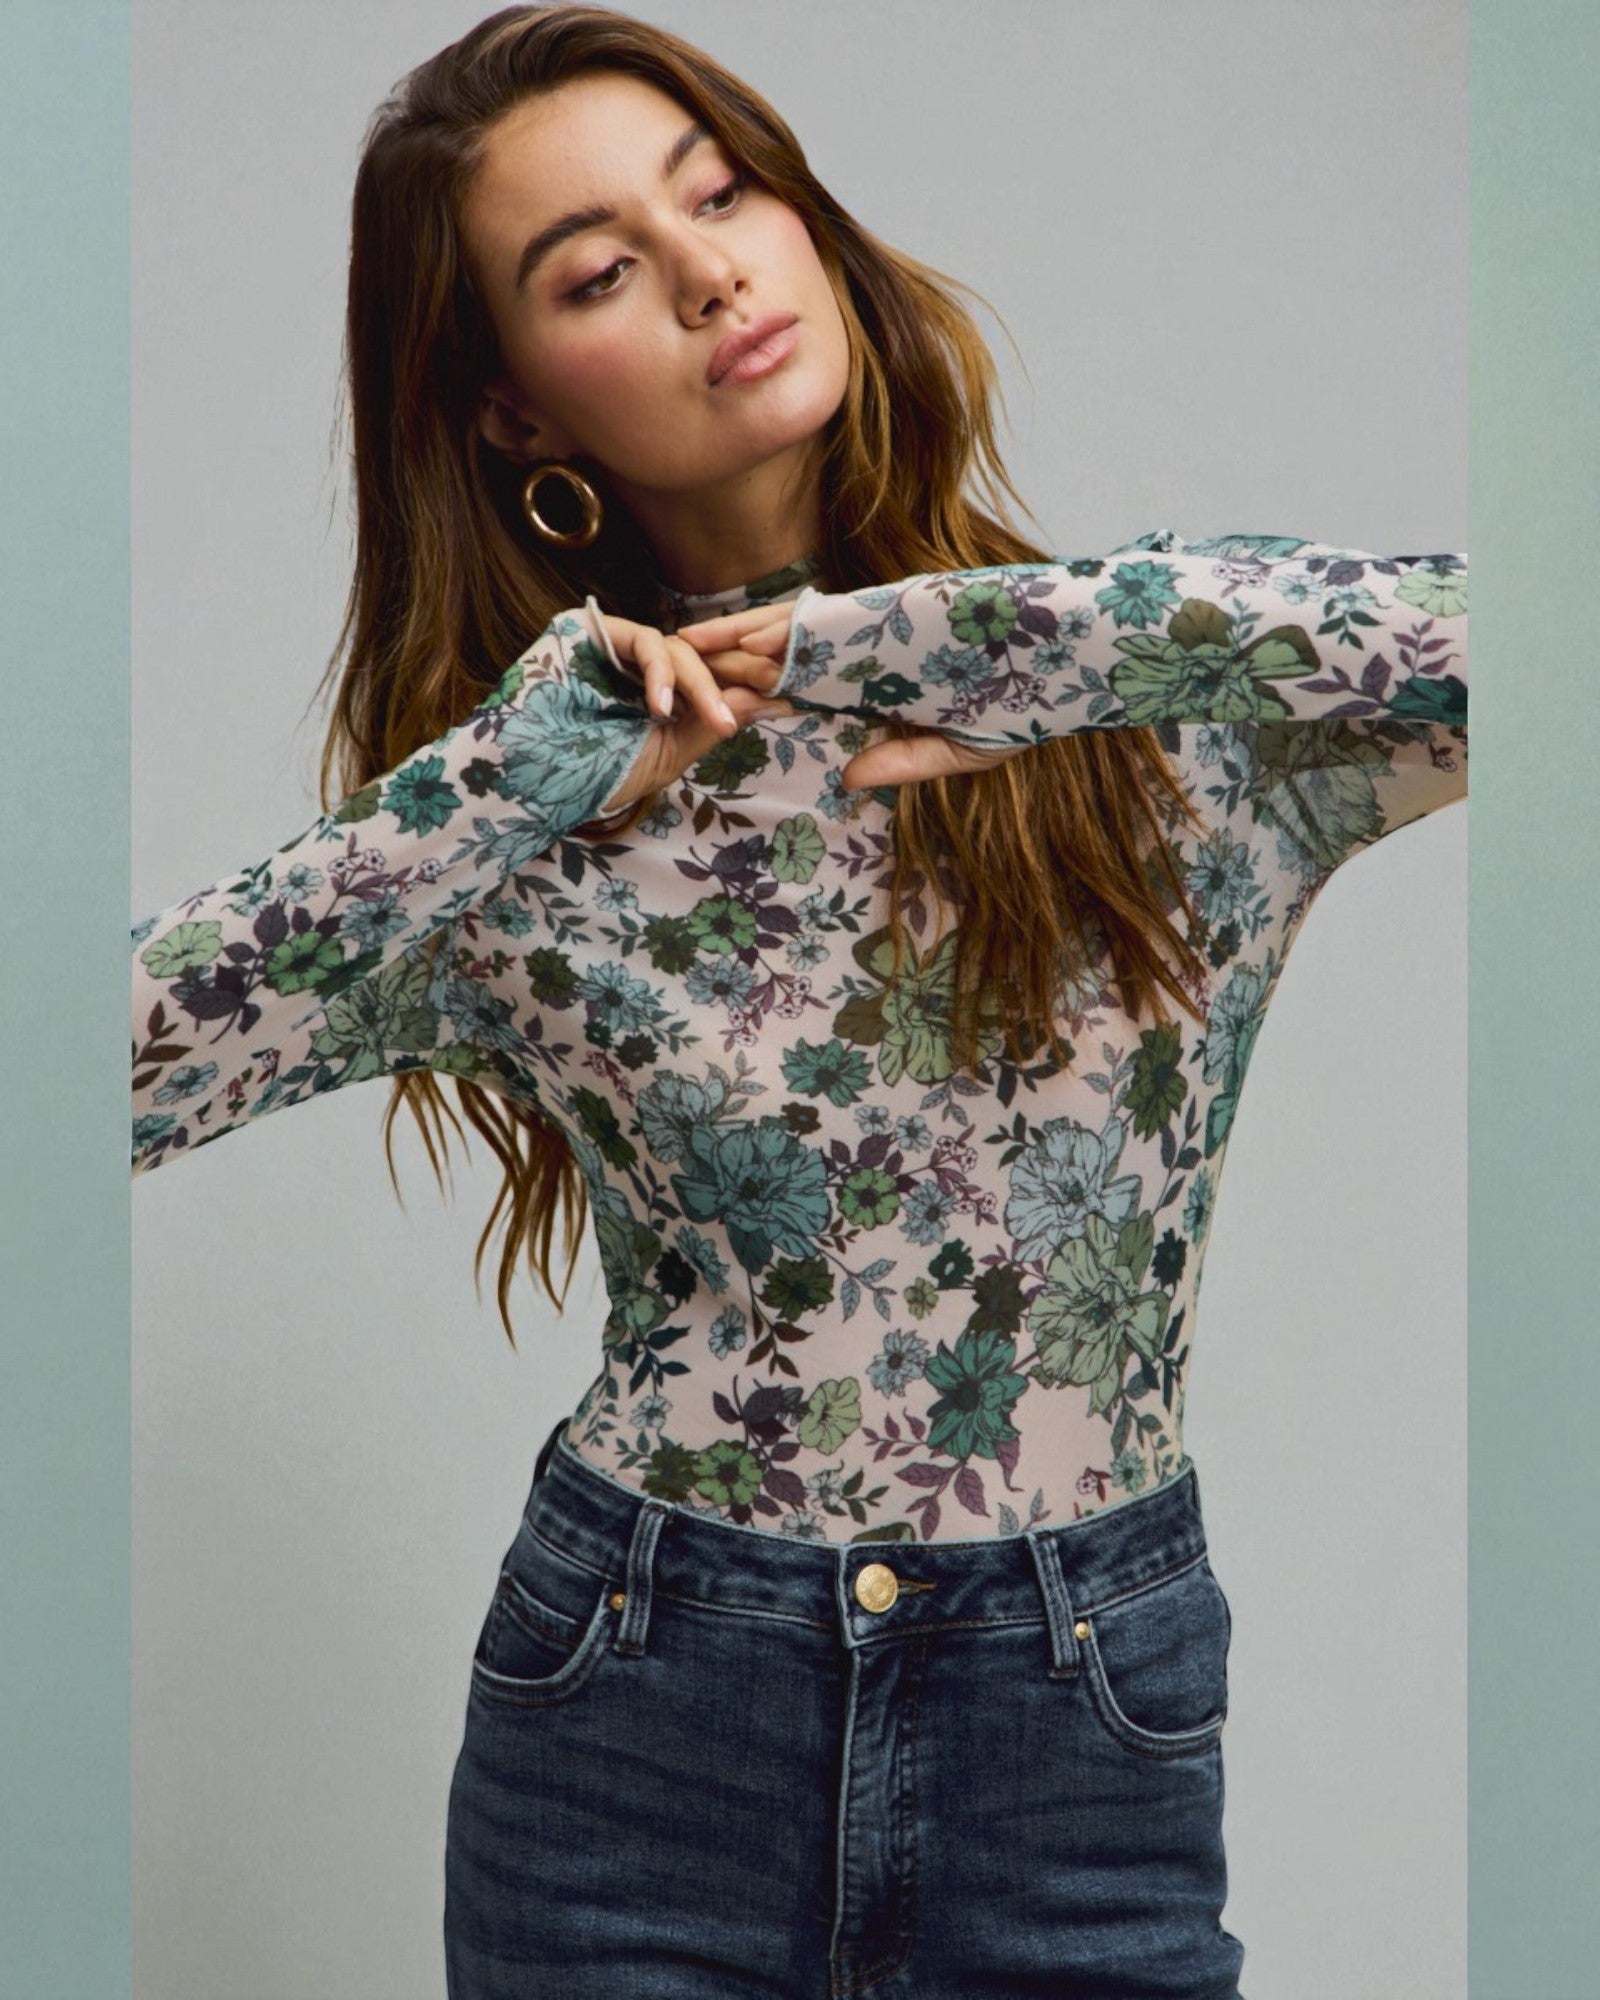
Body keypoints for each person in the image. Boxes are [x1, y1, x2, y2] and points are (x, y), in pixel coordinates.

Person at [130, 6, 1467, 1994]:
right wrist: (497, 783)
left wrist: (1008, 641)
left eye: (721, 191)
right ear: (516, 416)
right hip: (640, 1718)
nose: (704, 273)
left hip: (1074, 1726)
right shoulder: (526, 818)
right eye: (595, 273)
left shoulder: (1160, 711)